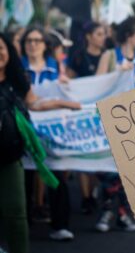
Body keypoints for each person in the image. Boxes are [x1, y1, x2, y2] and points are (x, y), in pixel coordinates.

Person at [0, 32, 80, 253]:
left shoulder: (17, 80)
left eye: (2, 48)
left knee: (16, 212)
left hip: (10, 158)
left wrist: (64, 103)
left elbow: (35, 104)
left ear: (9, 52)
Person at [20, 26, 76, 241]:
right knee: (25, 177)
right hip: (25, 131)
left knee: (57, 175)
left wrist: (66, 87)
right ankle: (23, 225)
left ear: (45, 45)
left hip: (51, 133)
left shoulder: (56, 68)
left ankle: (60, 225)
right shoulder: (19, 67)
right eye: (29, 41)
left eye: (37, 41)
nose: (33, 44)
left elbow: (69, 95)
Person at [94, 16, 135, 233]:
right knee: (109, 172)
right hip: (110, 125)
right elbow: (96, 87)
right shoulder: (108, 56)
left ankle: (123, 214)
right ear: (129, 35)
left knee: (130, 172)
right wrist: (117, 74)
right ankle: (107, 211)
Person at [66, 21, 107, 214]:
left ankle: (95, 190)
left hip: (102, 111)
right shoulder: (78, 57)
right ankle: (86, 196)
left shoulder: (109, 57)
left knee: (98, 152)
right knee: (86, 149)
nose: (103, 37)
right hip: (83, 110)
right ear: (89, 36)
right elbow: (69, 81)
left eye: (104, 34)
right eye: (99, 34)